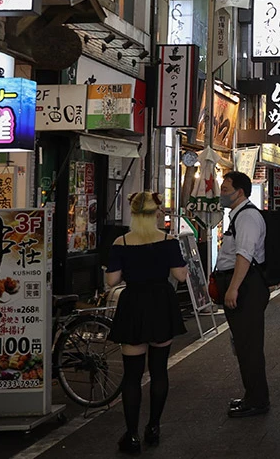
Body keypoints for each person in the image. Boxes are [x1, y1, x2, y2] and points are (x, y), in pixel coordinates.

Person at [105, 192, 188, 454]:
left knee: (132, 375)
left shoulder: (122, 242)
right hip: (161, 304)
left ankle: (131, 435)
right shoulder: (168, 240)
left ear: (133, 213)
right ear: (155, 214)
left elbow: (112, 281)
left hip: (133, 304)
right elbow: (181, 276)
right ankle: (153, 426)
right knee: (159, 370)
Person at [212, 171, 271, 418]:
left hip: (247, 286)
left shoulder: (247, 217)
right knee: (245, 344)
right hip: (243, 285)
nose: (222, 194)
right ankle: (253, 395)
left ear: (240, 192)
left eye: (225, 189)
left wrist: (233, 287)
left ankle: (257, 400)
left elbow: (244, 254)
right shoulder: (238, 216)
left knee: (249, 345)